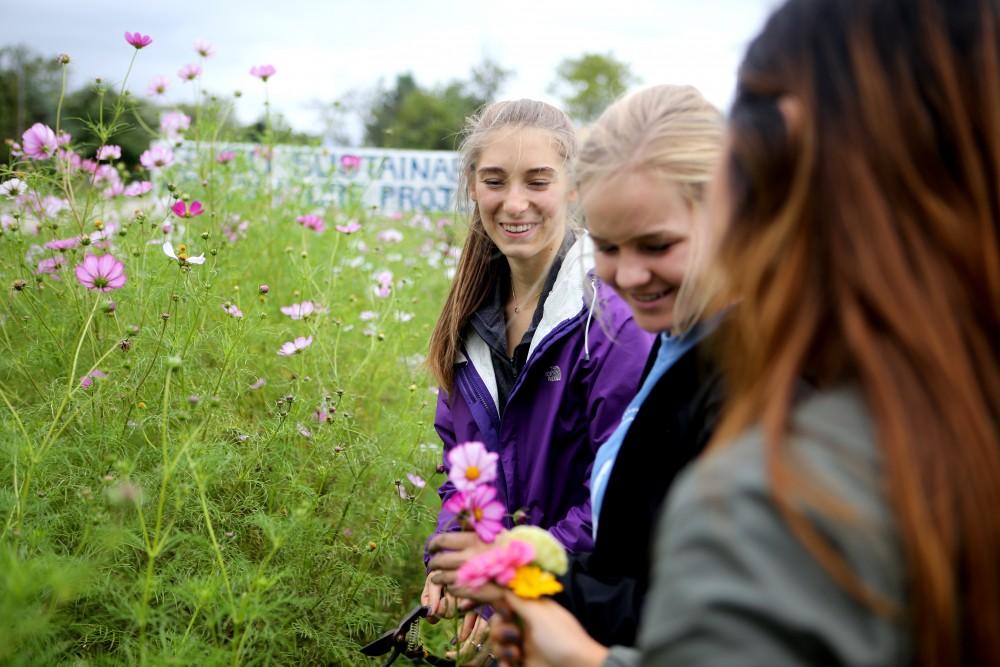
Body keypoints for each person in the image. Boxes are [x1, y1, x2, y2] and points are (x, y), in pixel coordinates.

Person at [487, 0, 1000, 665]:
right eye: (608, 247)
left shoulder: (770, 400)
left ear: (733, 202)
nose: (629, 273)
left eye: (658, 243)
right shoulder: (675, 338)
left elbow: (715, 600)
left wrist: (574, 631)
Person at [430, 84, 727, 649]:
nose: (514, 202)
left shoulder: (616, 319)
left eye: (537, 181)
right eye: (494, 180)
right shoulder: (469, 316)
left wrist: (512, 582)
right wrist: (455, 561)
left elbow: (613, 509)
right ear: (472, 187)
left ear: (573, 188)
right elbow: (463, 466)